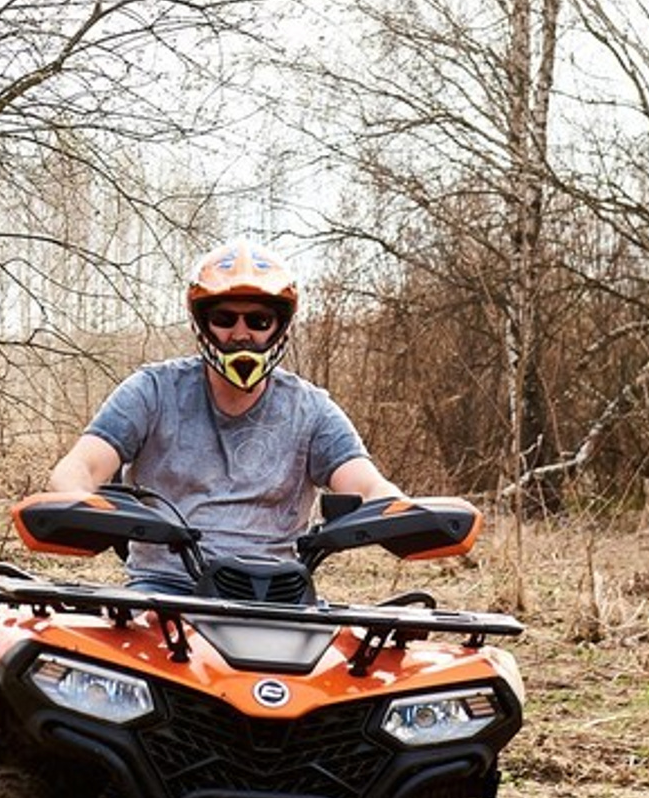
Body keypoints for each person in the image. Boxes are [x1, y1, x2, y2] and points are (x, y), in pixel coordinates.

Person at [45, 238, 404, 589]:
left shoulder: (310, 409)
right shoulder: (152, 391)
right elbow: (81, 467)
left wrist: (403, 514)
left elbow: (367, 485)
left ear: (280, 327)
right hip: (166, 591)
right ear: (202, 322)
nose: (240, 333)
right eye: (224, 318)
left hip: (280, 595)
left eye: (259, 321)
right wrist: (80, 502)